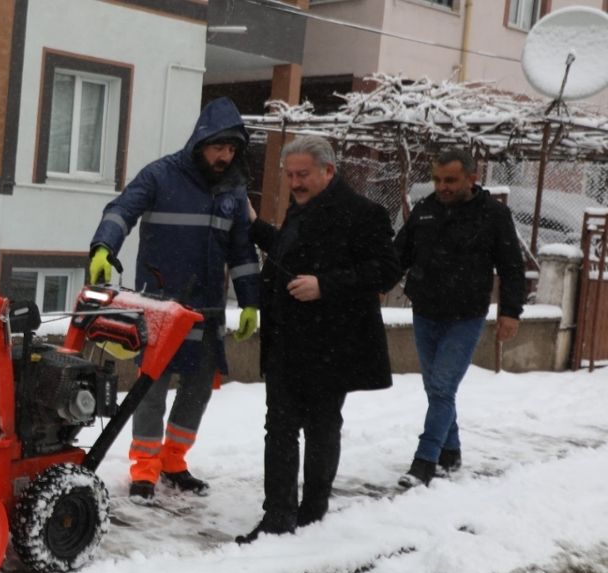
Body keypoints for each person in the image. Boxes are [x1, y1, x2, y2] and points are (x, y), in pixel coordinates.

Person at [87, 97, 261, 503]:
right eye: (219, 147)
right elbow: (122, 209)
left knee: (198, 390)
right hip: (159, 309)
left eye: (232, 150)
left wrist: (251, 301)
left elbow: (242, 252)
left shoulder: (233, 190)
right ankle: (144, 470)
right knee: (151, 390)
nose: (225, 156)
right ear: (201, 142)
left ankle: (174, 462)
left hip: (207, 311)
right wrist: (103, 247)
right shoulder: (161, 175)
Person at [236, 136, 400, 544]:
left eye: (303, 174)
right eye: (290, 175)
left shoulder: (364, 214)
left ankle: (312, 512)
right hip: (287, 341)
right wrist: (256, 226)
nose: (295, 182)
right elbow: (288, 254)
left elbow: (384, 271)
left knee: (322, 428)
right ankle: (277, 517)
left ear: (329, 170)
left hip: (332, 345)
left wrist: (325, 285)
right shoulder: (300, 209)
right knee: (279, 428)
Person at [393, 148, 526, 488]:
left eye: (450, 180)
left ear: (472, 177)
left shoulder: (493, 215)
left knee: (441, 386)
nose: (443, 187)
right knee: (435, 387)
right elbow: (398, 255)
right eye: (437, 180)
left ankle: (424, 462)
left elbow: (512, 267)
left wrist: (510, 312)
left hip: (465, 316)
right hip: (425, 312)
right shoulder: (425, 210)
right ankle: (450, 451)